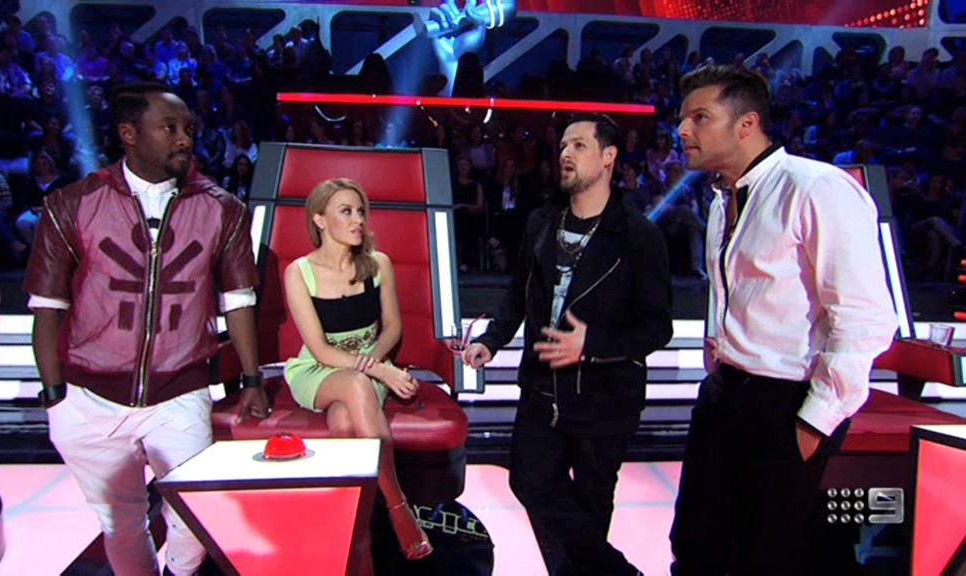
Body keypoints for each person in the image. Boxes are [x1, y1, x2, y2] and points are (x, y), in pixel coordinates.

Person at [24, 82, 269, 576]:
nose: (184, 139)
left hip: (179, 391)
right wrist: (55, 396)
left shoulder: (222, 208)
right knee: (121, 525)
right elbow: (47, 307)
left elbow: (239, 300)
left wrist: (251, 379)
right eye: (169, 128)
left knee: (194, 518)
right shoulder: (73, 203)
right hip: (88, 398)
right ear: (129, 134)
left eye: (189, 129)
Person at [668, 65, 898, 576]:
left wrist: (813, 421)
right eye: (683, 118)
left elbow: (863, 318)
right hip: (726, 394)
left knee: (769, 554)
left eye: (699, 118)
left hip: (786, 400)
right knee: (696, 545)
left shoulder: (817, 188)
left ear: (746, 124)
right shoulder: (721, 200)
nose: (682, 130)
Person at [462, 113, 673, 576]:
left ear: (608, 157)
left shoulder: (639, 236)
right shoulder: (541, 223)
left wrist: (591, 344)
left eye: (578, 145)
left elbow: (658, 328)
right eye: (562, 146)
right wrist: (492, 341)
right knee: (529, 481)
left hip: (605, 397)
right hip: (542, 388)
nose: (565, 154)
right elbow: (518, 293)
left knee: (592, 506)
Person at [283, 178, 433, 571]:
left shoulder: (377, 264)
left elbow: (392, 329)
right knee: (355, 383)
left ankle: (358, 537)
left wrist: (374, 364)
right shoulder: (299, 272)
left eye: (361, 211)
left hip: (367, 368)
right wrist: (380, 370)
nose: (358, 220)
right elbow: (320, 350)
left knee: (345, 420)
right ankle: (398, 506)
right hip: (318, 370)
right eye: (346, 211)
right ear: (319, 219)